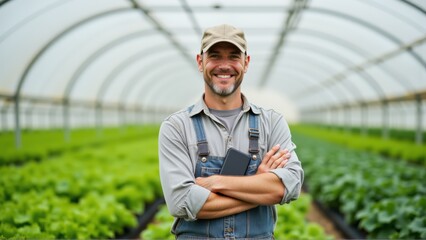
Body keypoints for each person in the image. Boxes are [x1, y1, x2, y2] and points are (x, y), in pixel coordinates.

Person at [159, 24, 304, 239]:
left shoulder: (272, 122)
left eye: (234, 56)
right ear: (200, 62)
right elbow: (181, 202)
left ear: (246, 63)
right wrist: (258, 183)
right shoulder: (177, 127)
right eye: (215, 56)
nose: (224, 66)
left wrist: (216, 183)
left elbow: (290, 185)